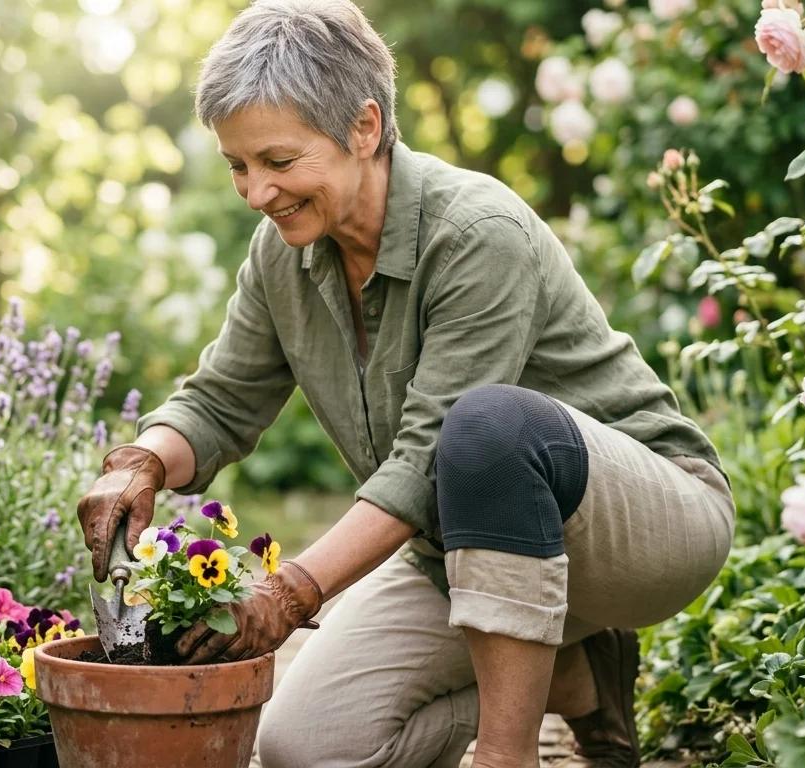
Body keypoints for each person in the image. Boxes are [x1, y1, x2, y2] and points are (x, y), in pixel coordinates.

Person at [74, 1, 735, 765]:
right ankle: (578, 677)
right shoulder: (281, 254)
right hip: (458, 549)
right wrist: (144, 461)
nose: (256, 193)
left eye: (279, 162)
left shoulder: (477, 231)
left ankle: (505, 752)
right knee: (303, 749)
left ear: (364, 127)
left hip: (643, 528)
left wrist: (290, 593)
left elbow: (429, 457)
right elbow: (221, 399)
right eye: (238, 166)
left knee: (489, 427)